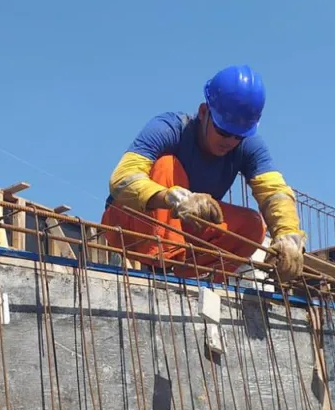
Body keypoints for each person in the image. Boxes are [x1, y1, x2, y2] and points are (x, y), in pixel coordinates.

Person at [101, 64, 307, 282]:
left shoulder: (247, 146)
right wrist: (172, 198)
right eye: (224, 132)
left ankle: (195, 280)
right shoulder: (170, 128)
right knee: (166, 164)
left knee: (251, 225)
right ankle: (161, 264)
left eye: (239, 136)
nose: (230, 142)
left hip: (182, 236)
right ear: (203, 112)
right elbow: (122, 179)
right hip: (128, 224)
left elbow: (274, 192)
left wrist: (288, 235)